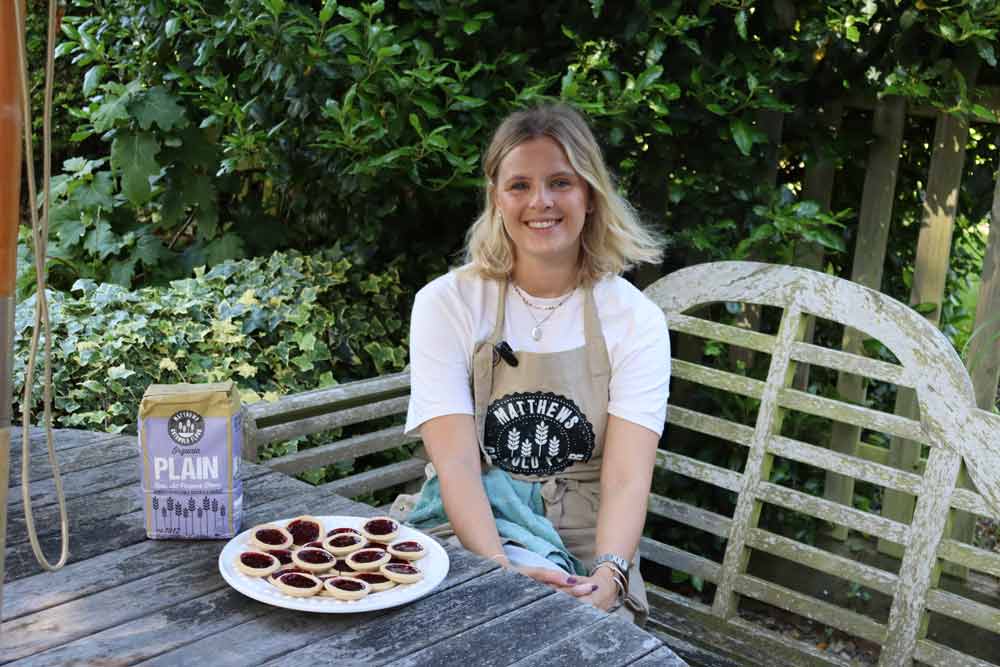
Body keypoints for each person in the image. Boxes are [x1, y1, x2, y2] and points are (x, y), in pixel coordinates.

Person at [394, 103, 670, 624]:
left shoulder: (634, 319)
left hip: (586, 541)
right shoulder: (448, 304)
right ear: (496, 198)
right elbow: (456, 464)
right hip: (473, 523)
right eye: (519, 185)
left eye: (560, 182)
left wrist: (609, 576)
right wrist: (499, 569)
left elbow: (626, 479)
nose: (540, 201)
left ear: (590, 194)